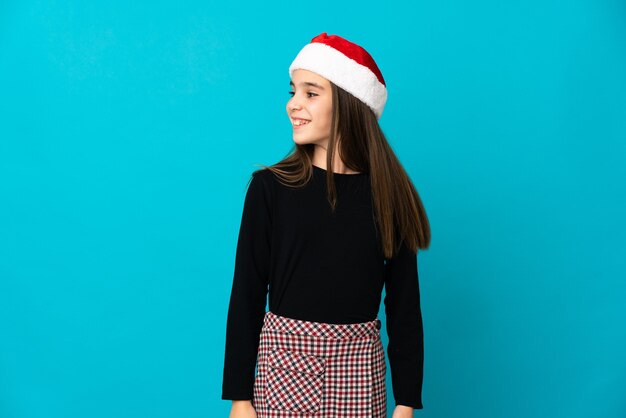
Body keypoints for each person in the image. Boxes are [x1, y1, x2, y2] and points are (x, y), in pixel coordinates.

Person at [222, 32, 431, 418]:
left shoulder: (389, 196)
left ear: (350, 104)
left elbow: (405, 308)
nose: (293, 105)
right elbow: (246, 294)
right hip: (283, 371)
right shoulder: (269, 189)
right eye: (293, 92)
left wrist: (405, 403)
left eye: (311, 93)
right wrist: (239, 397)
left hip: (359, 373)